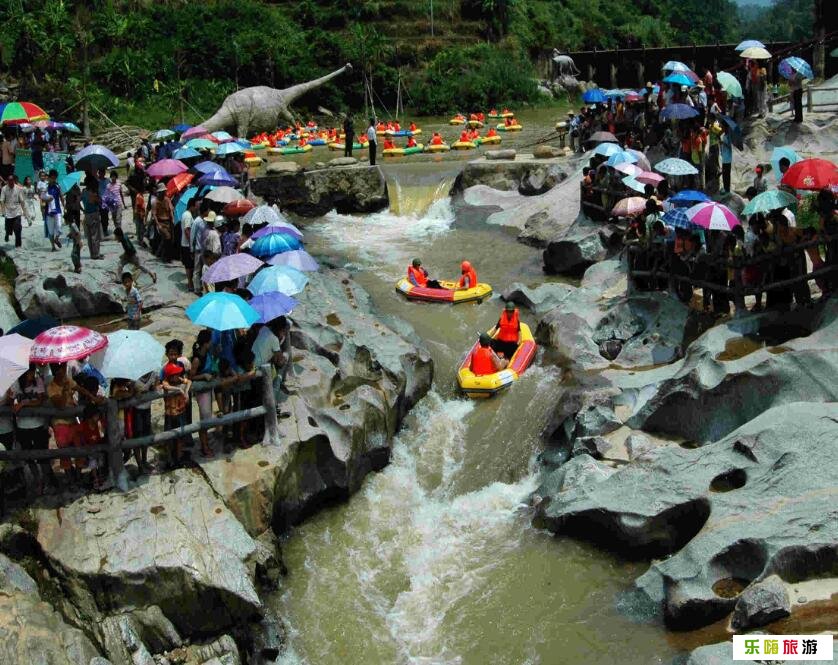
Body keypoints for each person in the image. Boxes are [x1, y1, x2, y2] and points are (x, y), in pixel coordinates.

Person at [12, 365, 56, 495]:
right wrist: (11, 400)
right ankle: (38, 480)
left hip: (38, 424)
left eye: (33, 372)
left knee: (42, 455)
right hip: (22, 426)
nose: (32, 375)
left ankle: (47, 480)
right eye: (30, 372)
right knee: (29, 456)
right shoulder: (16, 385)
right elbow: (12, 404)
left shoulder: (39, 381)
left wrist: (24, 403)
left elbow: (40, 400)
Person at [190, 329, 218, 458]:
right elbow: (191, 376)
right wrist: (203, 376)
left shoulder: (208, 354)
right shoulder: (197, 359)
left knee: (208, 416)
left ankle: (205, 441)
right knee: (205, 418)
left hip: (208, 389)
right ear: (206, 343)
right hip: (201, 392)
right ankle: (204, 446)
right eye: (210, 340)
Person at [161, 359, 191, 469]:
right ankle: (170, 459)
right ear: (170, 375)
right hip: (170, 415)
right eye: (175, 373)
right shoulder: (166, 382)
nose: (178, 374)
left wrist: (186, 391)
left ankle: (178, 457)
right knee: (169, 438)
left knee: (180, 436)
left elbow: (189, 381)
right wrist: (179, 390)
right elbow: (166, 387)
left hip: (180, 413)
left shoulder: (179, 379)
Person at [252, 316, 288, 402]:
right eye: (283, 331)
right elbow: (280, 361)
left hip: (252, 364)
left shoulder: (264, 329)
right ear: (280, 329)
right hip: (259, 370)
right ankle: (272, 402)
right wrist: (284, 358)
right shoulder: (274, 340)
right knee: (281, 364)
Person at [1, 173, 31, 247]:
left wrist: (27, 217)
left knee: (18, 229)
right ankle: (7, 234)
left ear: (14, 181)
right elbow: (2, 200)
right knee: (8, 228)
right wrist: (3, 211)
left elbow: (22, 202)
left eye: (12, 180)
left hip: (17, 211)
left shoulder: (18, 189)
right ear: (7, 181)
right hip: (8, 212)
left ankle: (18, 246)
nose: (11, 182)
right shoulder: (4, 189)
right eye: (9, 180)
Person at [81, 175, 104, 259]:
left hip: (87, 214)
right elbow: (98, 202)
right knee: (95, 235)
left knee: (90, 236)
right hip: (93, 214)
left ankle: (92, 254)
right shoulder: (92, 193)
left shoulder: (83, 191)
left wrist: (83, 209)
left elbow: (78, 201)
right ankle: (96, 254)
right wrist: (98, 197)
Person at [190, 201, 210, 296]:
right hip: (198, 249)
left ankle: (202, 286)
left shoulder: (205, 221)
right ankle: (196, 288)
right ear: (204, 211)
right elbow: (192, 236)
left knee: (203, 269)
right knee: (197, 269)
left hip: (203, 249)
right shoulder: (197, 221)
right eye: (208, 210)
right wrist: (191, 249)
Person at [180, 197, 197, 292]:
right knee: (189, 266)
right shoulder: (188, 216)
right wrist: (191, 245)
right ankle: (190, 284)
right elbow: (187, 230)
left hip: (185, 244)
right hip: (187, 245)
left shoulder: (186, 214)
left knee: (189, 265)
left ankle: (190, 283)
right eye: (195, 206)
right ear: (192, 206)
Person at [45, 169, 64, 251]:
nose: (54, 179)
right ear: (49, 178)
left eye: (55, 178)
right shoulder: (45, 187)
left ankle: (57, 239)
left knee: (59, 228)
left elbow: (61, 196)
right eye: (52, 178)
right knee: (51, 231)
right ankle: (53, 246)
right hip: (48, 212)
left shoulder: (58, 186)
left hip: (58, 210)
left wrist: (64, 205)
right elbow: (42, 199)